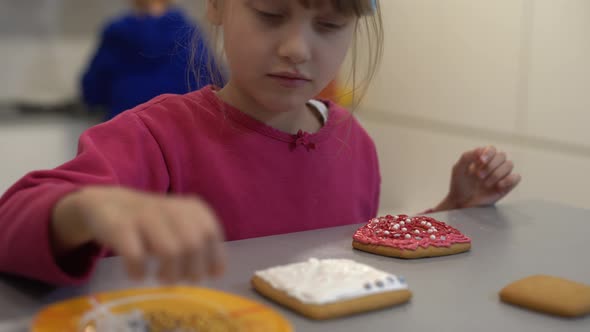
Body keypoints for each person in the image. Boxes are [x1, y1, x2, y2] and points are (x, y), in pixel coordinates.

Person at [0, 0, 520, 286]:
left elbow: (353, 269)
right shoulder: (155, 135)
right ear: (219, 6)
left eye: (329, 25)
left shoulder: (354, 142)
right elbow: (12, 220)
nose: (296, 48)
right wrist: (90, 208)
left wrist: (451, 213)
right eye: (271, 14)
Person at [81, 0, 223, 120]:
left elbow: (92, 92)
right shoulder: (189, 33)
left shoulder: (115, 35)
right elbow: (215, 83)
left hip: (127, 134)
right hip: (183, 132)